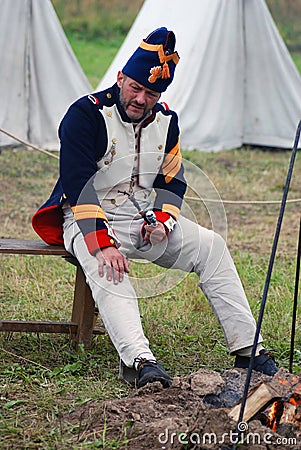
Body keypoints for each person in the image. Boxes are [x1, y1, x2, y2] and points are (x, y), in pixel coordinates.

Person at [32, 27, 277, 388]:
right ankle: (140, 361)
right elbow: (78, 184)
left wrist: (162, 221)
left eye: (151, 93)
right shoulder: (85, 114)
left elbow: (172, 179)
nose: (141, 99)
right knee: (109, 266)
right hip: (86, 218)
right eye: (135, 88)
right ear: (120, 78)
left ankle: (248, 350)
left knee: (212, 247)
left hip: (141, 218)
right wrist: (103, 243)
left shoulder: (167, 121)